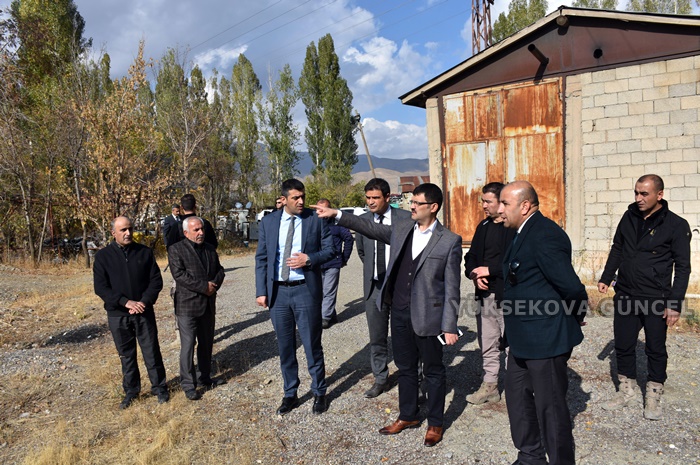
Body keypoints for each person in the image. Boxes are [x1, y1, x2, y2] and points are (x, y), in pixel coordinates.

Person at [316, 183, 462, 447]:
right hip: (400, 312)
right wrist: (337, 214)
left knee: (433, 372)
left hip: (428, 318)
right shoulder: (402, 229)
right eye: (411, 202)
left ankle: (436, 423)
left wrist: (449, 325)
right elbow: (368, 227)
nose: (411, 207)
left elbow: (452, 288)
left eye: (416, 203)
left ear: (433, 207)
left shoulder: (449, 241)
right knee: (405, 368)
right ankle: (408, 415)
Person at [498, 180, 588, 465]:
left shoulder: (546, 234)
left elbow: (571, 286)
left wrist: (574, 315)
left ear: (525, 206)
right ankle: (530, 457)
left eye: (505, 204)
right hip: (521, 338)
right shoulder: (522, 232)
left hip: (545, 339)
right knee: (517, 399)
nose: (499, 209)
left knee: (551, 409)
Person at [598, 174, 691, 420]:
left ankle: (654, 393)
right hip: (626, 293)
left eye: (644, 194)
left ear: (659, 195)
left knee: (655, 348)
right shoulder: (628, 217)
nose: (638, 198)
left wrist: (674, 304)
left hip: (656, 296)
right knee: (623, 344)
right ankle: (626, 390)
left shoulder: (676, 225)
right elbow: (618, 247)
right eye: (636, 193)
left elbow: (683, 267)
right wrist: (606, 277)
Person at [255, 179, 335, 415]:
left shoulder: (314, 219)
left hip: (305, 291)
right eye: (295, 198)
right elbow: (262, 258)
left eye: (303, 197)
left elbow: (331, 250)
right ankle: (290, 393)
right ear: (284, 199)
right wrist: (261, 291)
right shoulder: (269, 222)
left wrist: (309, 259)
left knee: (312, 344)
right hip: (278, 293)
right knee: (285, 346)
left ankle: (319, 392)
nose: (301, 201)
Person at [93, 216, 168, 409]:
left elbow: (156, 281)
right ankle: (131, 391)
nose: (128, 233)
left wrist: (143, 302)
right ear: (113, 233)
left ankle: (160, 388)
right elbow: (101, 288)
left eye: (130, 229)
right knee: (127, 356)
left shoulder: (144, 252)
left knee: (151, 352)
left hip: (143, 312)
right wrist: (125, 302)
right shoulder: (103, 257)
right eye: (123, 230)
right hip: (118, 315)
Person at [354, 178, 411, 398]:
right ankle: (380, 378)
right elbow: (362, 252)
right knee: (377, 337)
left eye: (375, 198)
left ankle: (413, 377)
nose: (370, 202)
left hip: (399, 288)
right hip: (375, 288)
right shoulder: (363, 221)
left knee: (404, 336)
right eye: (368, 197)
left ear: (388, 197)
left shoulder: (405, 218)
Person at [464, 182, 515, 405]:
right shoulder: (483, 226)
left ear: (501, 202)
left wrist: (490, 270)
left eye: (488, 202)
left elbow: (516, 263)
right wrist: (474, 273)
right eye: (482, 201)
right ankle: (490, 387)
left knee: (513, 344)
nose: (484, 205)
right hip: (484, 296)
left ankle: (515, 389)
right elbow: (471, 257)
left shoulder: (512, 228)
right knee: (487, 342)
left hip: (508, 296)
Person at [168, 216, 226, 400]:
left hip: (208, 304)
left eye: (202, 229)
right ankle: (188, 384)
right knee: (188, 346)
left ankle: (204, 378)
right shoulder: (176, 249)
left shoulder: (209, 248)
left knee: (206, 343)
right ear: (186, 233)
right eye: (196, 230)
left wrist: (214, 285)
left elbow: (220, 270)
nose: (201, 232)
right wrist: (204, 287)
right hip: (188, 306)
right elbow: (179, 275)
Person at [316, 198, 354, 329]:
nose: (321, 212)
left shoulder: (337, 224)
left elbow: (349, 239)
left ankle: (325, 317)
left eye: (324, 209)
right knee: (319, 291)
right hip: (317, 263)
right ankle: (331, 314)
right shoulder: (313, 224)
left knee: (329, 290)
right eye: (319, 209)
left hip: (333, 263)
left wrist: (344, 258)